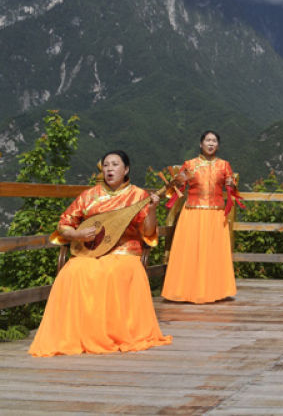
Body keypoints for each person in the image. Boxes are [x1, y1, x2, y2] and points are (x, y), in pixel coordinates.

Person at [29, 150, 172, 356]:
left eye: (115, 164)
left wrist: (151, 211)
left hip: (125, 251)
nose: (110, 169)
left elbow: (148, 233)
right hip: (90, 251)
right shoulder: (89, 195)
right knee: (73, 271)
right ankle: (75, 334)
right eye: (106, 165)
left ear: (126, 169)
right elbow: (64, 224)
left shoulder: (138, 195)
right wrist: (78, 235)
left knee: (114, 272)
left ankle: (111, 333)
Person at [161, 130, 238, 303]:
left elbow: (232, 187)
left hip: (216, 214)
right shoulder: (189, 164)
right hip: (193, 213)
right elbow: (174, 190)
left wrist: (232, 185)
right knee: (190, 251)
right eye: (207, 140)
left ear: (218, 145)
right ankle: (184, 290)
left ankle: (216, 291)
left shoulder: (224, 165)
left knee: (213, 252)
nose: (211, 143)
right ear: (201, 144)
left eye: (214, 141)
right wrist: (177, 182)